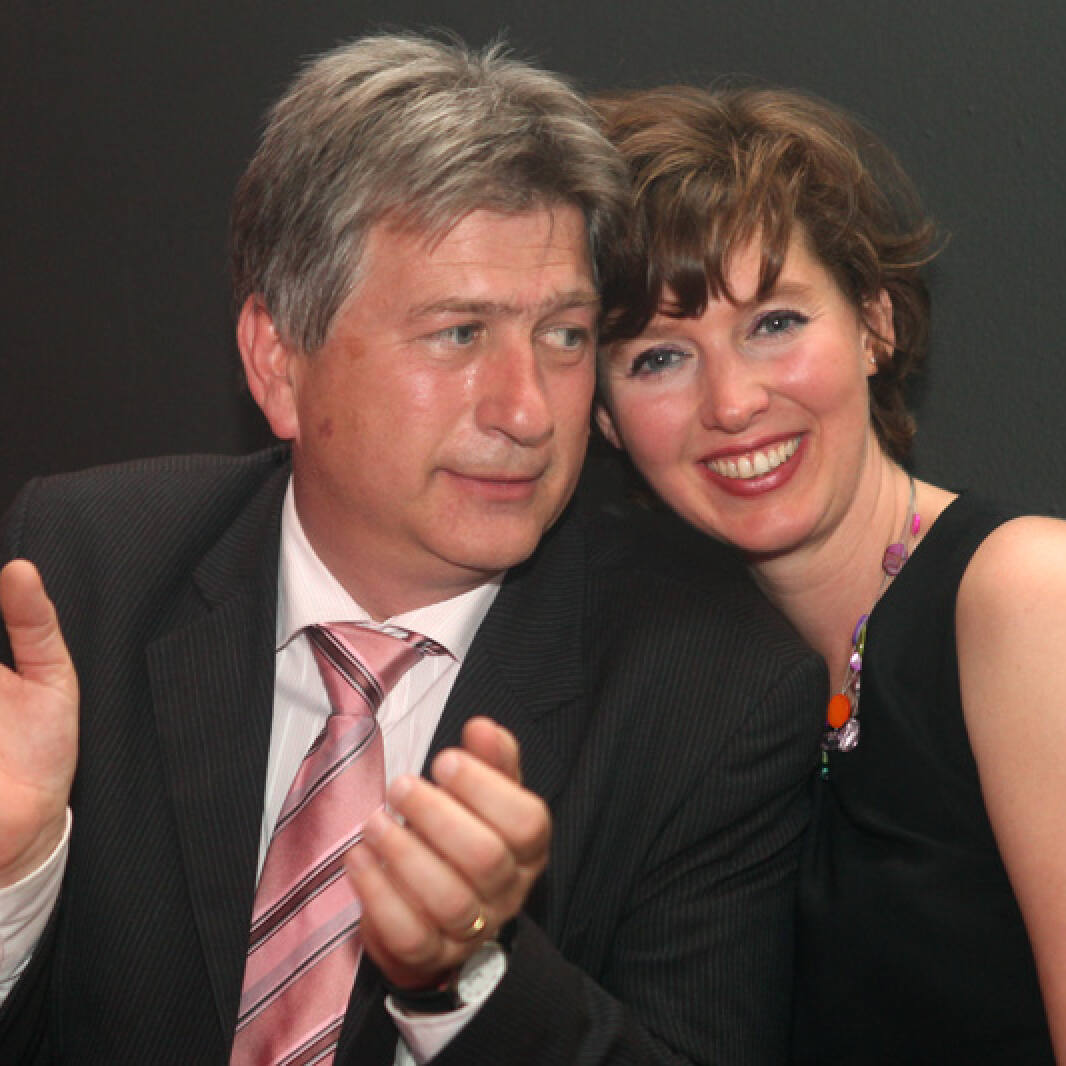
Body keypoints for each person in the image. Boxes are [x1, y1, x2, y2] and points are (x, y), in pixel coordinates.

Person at [0, 35, 826, 1065]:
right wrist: (16, 877)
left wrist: (467, 976)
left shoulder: (711, 692)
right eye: (459, 333)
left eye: (565, 336)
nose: (529, 411)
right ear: (279, 361)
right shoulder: (81, 572)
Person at [592, 83, 1066, 1064]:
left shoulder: (1027, 596)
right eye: (659, 357)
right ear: (603, 420)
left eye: (773, 323)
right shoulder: (671, 679)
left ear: (873, 325)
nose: (731, 403)